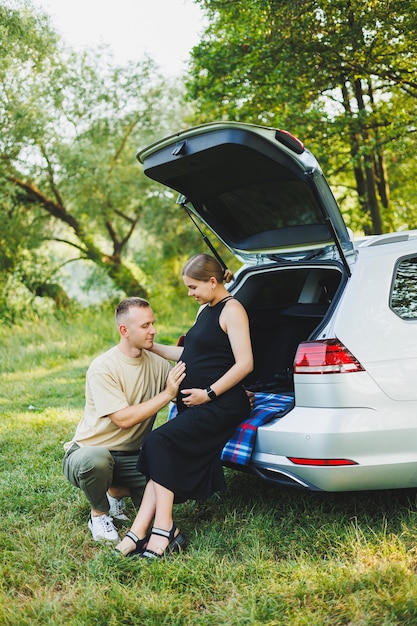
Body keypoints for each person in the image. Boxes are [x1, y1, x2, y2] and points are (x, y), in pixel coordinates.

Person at [115, 253, 254, 558]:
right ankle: (140, 531)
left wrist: (209, 393)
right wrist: (151, 346)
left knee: (157, 441)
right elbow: (188, 354)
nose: (190, 293)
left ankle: (162, 529)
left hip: (221, 403)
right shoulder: (205, 309)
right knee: (158, 448)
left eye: (193, 287)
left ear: (212, 281)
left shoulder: (233, 310)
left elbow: (245, 364)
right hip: (197, 404)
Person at [62, 297, 186, 543]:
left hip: (132, 457)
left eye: (153, 323)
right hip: (88, 452)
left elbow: (185, 394)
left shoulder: (160, 364)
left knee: (178, 485)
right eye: (145, 326)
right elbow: (122, 419)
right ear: (124, 330)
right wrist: (167, 394)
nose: (153, 330)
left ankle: (116, 491)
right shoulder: (103, 367)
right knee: (96, 461)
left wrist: (228, 395)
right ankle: (99, 514)